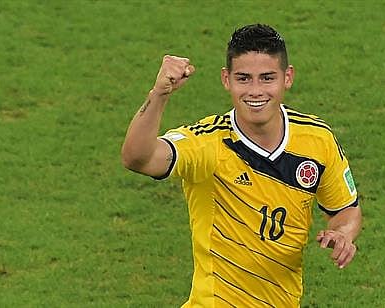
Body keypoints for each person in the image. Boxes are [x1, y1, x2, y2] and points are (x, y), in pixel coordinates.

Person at [121, 24, 362, 307]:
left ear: (288, 77)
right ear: (227, 79)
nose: (256, 91)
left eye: (267, 78)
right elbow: (138, 158)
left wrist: (342, 234)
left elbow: (346, 209)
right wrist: (159, 94)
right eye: (244, 79)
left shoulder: (317, 139)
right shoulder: (207, 143)